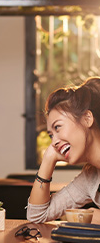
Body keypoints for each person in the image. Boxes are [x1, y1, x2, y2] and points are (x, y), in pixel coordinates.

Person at [27, 76, 100, 224]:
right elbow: (37, 216)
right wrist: (49, 159)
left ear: (87, 118)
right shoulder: (90, 178)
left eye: (58, 127)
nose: (53, 142)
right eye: (51, 135)